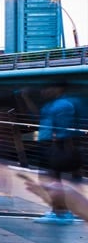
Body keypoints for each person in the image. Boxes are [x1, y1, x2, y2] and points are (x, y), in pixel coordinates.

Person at [33, 83, 82, 223]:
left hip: (54, 145)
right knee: (49, 179)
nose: (44, 90)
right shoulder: (52, 104)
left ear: (59, 88)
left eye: (48, 87)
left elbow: (63, 129)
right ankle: (58, 211)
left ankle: (61, 212)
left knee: (52, 180)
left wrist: (60, 146)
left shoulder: (63, 105)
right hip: (49, 143)